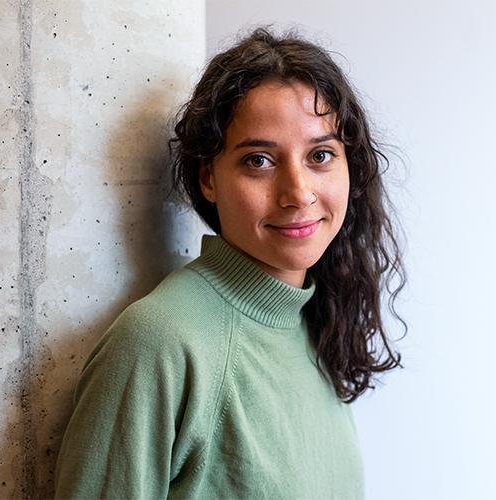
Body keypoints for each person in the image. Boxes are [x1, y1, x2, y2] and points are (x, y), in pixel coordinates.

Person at [54, 27, 405, 499]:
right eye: (259, 161)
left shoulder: (311, 324)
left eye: (321, 155)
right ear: (208, 178)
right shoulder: (161, 342)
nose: (298, 192)